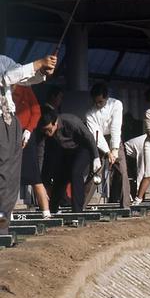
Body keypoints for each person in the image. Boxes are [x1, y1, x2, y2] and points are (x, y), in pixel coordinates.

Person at [34, 106, 100, 213]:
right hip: (66, 150)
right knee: (60, 177)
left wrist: (96, 157)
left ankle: (77, 210)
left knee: (75, 173)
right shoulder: (44, 131)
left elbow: (89, 137)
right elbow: (40, 150)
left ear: (55, 123)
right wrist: (39, 172)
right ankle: (52, 209)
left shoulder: (71, 121)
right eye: (45, 130)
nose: (47, 133)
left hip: (82, 148)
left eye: (49, 130)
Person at [84, 82, 130, 208]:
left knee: (122, 171)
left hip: (115, 138)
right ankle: (81, 205)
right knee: (95, 171)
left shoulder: (116, 104)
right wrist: (108, 152)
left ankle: (125, 206)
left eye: (101, 101)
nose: (98, 105)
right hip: (99, 141)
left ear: (106, 97)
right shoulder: (90, 114)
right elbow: (97, 135)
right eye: (96, 102)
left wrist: (114, 149)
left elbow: (116, 127)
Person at [14, 85, 51, 218]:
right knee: (8, 175)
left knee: (34, 176)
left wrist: (29, 130)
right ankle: (7, 213)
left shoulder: (25, 88)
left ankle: (46, 212)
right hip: (9, 134)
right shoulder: (3, 89)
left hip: (26, 133)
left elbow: (36, 111)